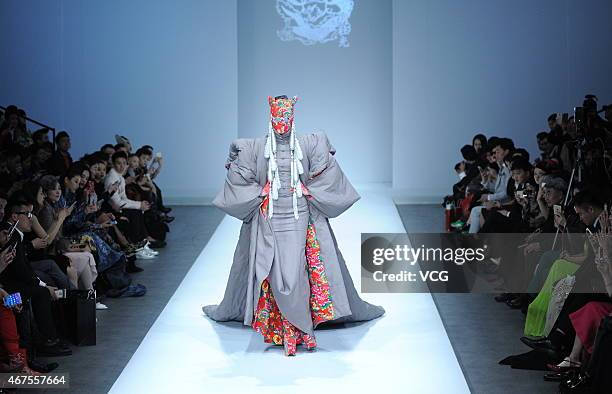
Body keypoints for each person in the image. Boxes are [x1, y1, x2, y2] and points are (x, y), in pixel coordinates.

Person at [202, 95, 385, 356]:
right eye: (277, 117)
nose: (282, 124)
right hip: (271, 216)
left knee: (298, 270)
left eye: (286, 117)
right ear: (271, 116)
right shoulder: (255, 147)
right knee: (274, 270)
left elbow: (327, 168)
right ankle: (286, 328)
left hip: (300, 214)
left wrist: (311, 192)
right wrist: (259, 192)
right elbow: (237, 168)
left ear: (293, 117)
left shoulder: (308, 144)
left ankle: (298, 329)